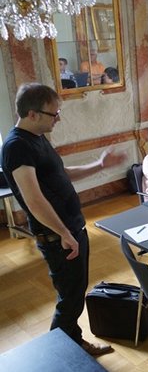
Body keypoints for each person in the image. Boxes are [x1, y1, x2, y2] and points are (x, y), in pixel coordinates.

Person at [1, 83, 126, 356]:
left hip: (71, 229)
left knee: (74, 293)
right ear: (33, 114)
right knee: (69, 300)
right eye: (54, 113)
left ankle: (73, 343)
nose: (58, 118)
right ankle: (57, 357)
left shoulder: (36, 137)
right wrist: (64, 234)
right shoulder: (16, 147)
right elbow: (34, 200)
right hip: (59, 237)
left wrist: (100, 165)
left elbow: (62, 173)